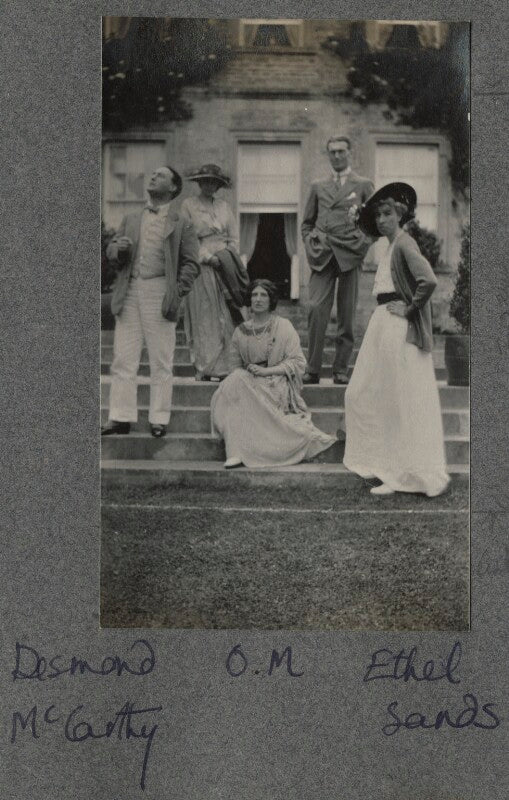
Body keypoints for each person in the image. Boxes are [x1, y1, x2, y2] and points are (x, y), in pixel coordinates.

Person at [343, 182, 450, 497]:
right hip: (382, 324)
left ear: (400, 215)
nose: (381, 220)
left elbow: (428, 280)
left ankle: (400, 473)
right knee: (364, 393)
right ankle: (384, 465)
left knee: (398, 398)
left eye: (387, 214)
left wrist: (409, 308)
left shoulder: (404, 243)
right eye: (378, 215)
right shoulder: (389, 247)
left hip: (397, 326)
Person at [101, 165, 200, 438]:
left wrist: (176, 292)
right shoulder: (132, 218)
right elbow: (112, 253)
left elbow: (192, 264)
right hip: (130, 289)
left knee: (161, 359)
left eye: (161, 175)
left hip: (160, 290)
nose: (153, 176)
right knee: (123, 358)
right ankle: (120, 417)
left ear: (173, 187)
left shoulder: (182, 222)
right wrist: (117, 250)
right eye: (153, 174)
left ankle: (159, 418)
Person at [211, 279, 337, 469]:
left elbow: (298, 363)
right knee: (233, 382)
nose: (258, 299)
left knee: (236, 382)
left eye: (263, 295)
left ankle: (248, 450)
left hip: (276, 385)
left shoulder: (283, 326)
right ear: (249, 299)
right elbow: (234, 367)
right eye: (254, 295)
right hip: (249, 383)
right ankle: (235, 451)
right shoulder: (240, 332)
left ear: (271, 300)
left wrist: (267, 371)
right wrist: (250, 377)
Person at [301, 134, 374, 385]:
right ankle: (312, 369)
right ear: (328, 155)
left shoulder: (363, 184)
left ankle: (341, 369)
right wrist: (310, 243)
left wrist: (362, 245)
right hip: (322, 253)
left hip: (350, 253)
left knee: (347, 313)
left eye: (341, 151)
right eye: (332, 152)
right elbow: (307, 223)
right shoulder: (317, 186)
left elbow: (374, 223)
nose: (337, 156)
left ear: (350, 153)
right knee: (315, 309)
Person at [181, 163, 246, 382]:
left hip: (225, 263)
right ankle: (206, 366)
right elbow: (188, 238)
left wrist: (228, 257)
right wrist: (208, 258)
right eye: (205, 181)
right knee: (205, 315)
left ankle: (227, 366)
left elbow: (234, 237)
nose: (209, 185)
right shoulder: (188, 205)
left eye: (213, 182)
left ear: (218, 185)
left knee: (227, 314)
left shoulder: (224, 207)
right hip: (202, 266)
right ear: (199, 183)